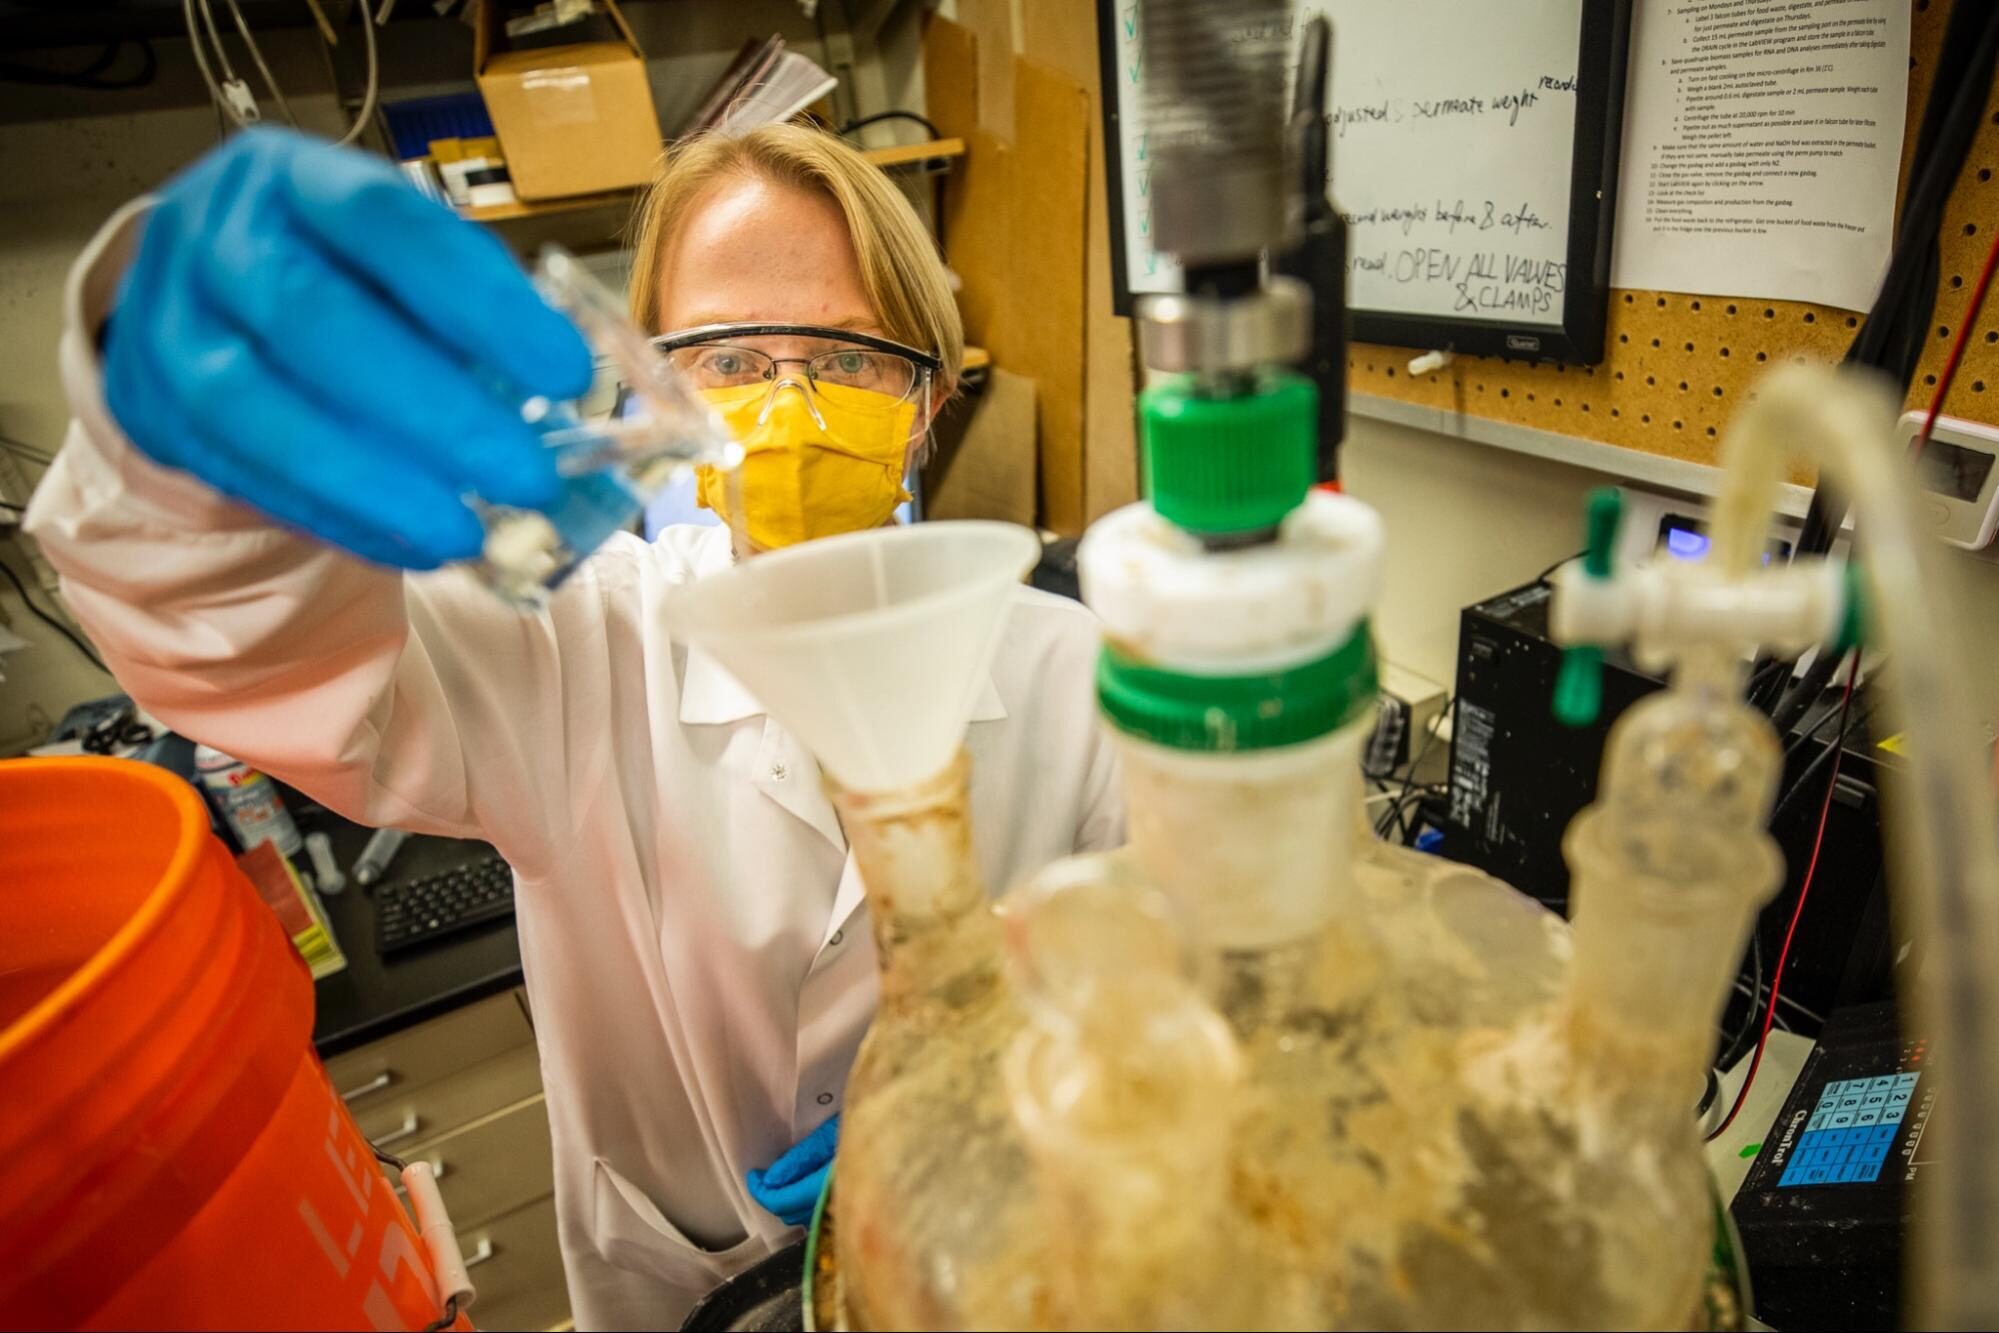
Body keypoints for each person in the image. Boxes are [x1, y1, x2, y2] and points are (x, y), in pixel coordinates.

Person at [25, 124, 1122, 1328]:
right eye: (731, 359)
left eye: (849, 357)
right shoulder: (570, 643)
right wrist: (185, 445)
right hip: (688, 1284)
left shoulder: (1076, 672)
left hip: (1010, 1263)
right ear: (658, 390)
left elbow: (1155, 993)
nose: (793, 401)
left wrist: (1003, 1091)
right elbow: (235, 644)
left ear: (929, 398)